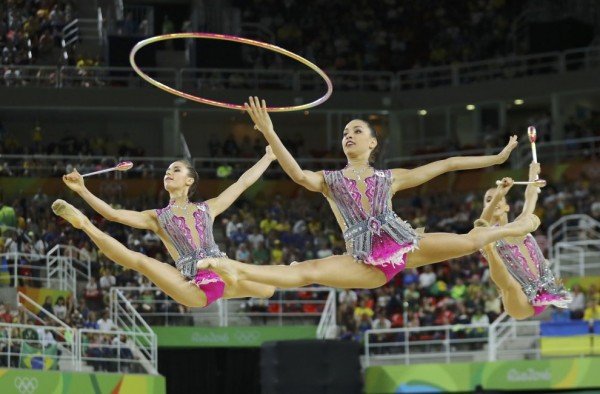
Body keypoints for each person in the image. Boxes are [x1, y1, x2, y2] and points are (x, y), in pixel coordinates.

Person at [198, 97, 540, 291]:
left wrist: (496, 158)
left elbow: (448, 163)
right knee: (306, 271)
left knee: (471, 240)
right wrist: (271, 133)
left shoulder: (390, 178)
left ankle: (516, 226)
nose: (349, 135)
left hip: (405, 244)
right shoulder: (330, 179)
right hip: (366, 261)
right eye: (345, 132)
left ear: (372, 143)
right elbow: (298, 175)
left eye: (357, 131)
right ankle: (236, 269)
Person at [53, 148, 277, 308]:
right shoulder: (158, 217)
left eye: (176, 170)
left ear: (190, 181)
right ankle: (84, 224)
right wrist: (82, 190)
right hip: (191, 286)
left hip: (221, 276)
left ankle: (289, 271)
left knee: (269, 290)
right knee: (142, 262)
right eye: (167, 171)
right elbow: (113, 214)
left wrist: (268, 156)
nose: (168, 172)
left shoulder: (208, 208)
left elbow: (242, 183)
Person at [475, 162, 571, 320]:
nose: (495, 200)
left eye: (499, 198)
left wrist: (533, 173)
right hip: (519, 300)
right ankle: (491, 251)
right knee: (491, 249)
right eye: (489, 199)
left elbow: (530, 197)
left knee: (526, 225)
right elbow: (482, 223)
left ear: (507, 207)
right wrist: (499, 194)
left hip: (544, 290)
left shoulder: (519, 225)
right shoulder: (485, 231)